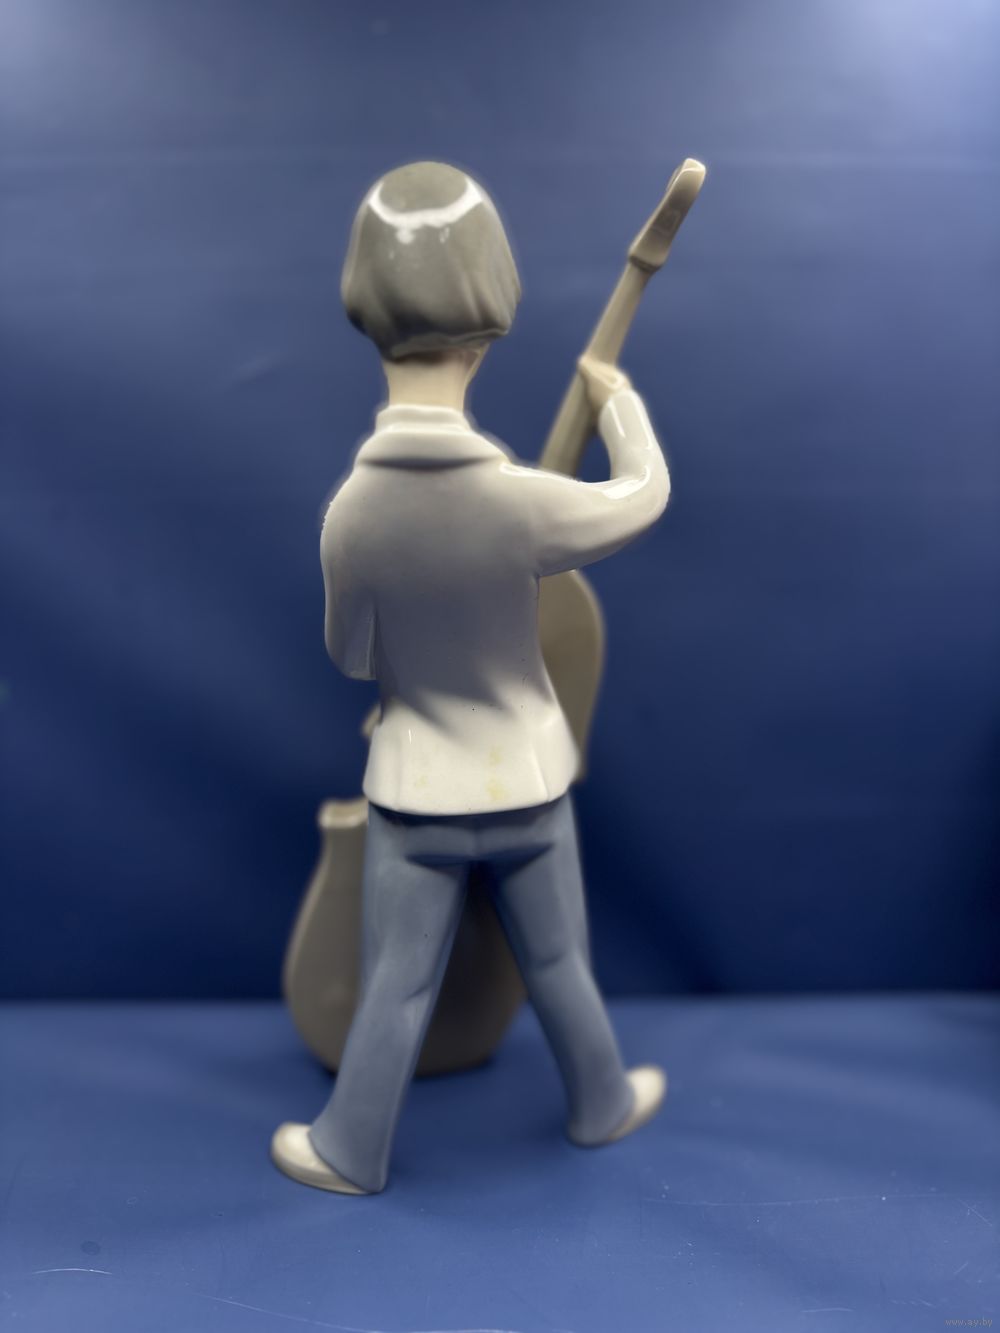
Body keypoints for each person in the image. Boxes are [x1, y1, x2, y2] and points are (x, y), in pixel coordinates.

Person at [271, 161, 671, 1195]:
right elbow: (641, 496)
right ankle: (601, 1101)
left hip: (416, 792)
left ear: (366, 321)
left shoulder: (350, 516)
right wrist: (619, 408)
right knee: (559, 962)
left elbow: (352, 658)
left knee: (397, 984)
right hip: (531, 780)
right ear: (488, 333)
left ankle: (350, 1149)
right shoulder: (522, 502)